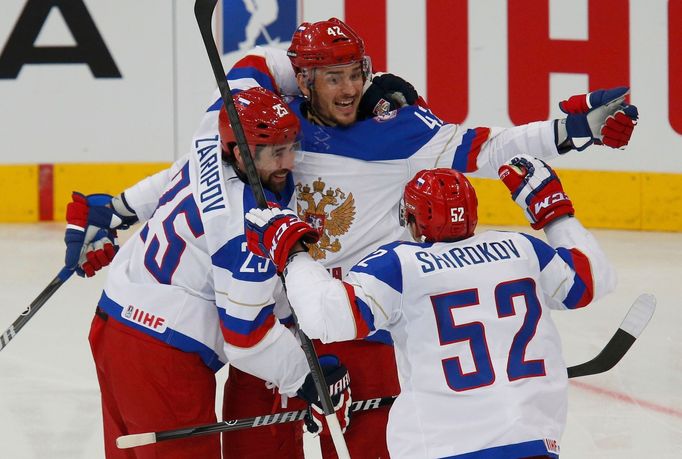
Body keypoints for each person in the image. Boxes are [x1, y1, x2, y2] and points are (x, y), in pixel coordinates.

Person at [69, 17, 638, 459]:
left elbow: (491, 147)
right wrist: (120, 206)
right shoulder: (274, 124)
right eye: (332, 77)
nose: (348, 90)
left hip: (359, 319)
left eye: (356, 75)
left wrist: (572, 131)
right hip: (281, 327)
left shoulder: (402, 133)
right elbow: (197, 164)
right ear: (305, 79)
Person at [244, 155, 617, 459]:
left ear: (413, 222)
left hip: (444, 447)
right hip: (534, 442)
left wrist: (292, 253)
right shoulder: (522, 250)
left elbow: (326, 318)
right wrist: (556, 214)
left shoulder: (400, 264)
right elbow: (591, 282)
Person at [63, 87, 351, 458]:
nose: (287, 162)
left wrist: (117, 209)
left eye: (290, 147)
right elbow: (246, 337)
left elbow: (168, 180)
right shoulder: (246, 225)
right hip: (162, 358)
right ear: (238, 153)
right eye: (273, 153)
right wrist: (307, 378)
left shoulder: (207, 150)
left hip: (113, 326)